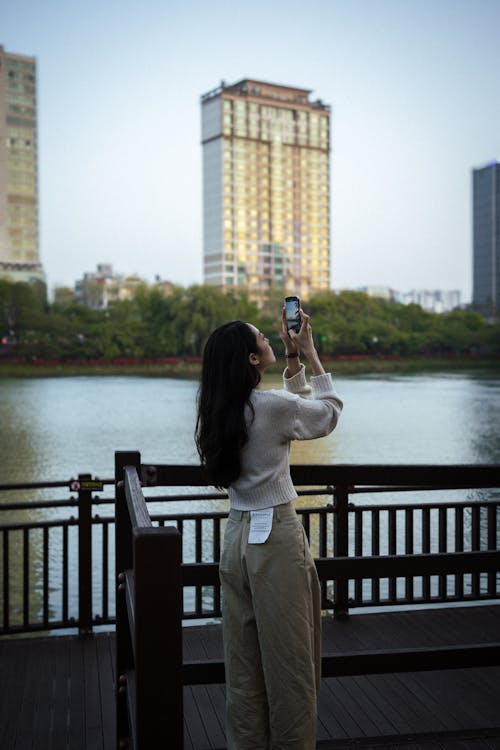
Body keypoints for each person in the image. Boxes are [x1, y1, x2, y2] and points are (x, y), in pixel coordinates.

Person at [195, 307, 343, 750]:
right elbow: (326, 414)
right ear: (253, 359)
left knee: (244, 667)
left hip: (236, 537)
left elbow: (294, 412)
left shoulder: (220, 409)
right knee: (290, 667)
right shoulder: (272, 406)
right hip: (275, 537)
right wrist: (311, 353)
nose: (268, 339)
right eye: (262, 337)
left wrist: (291, 362)